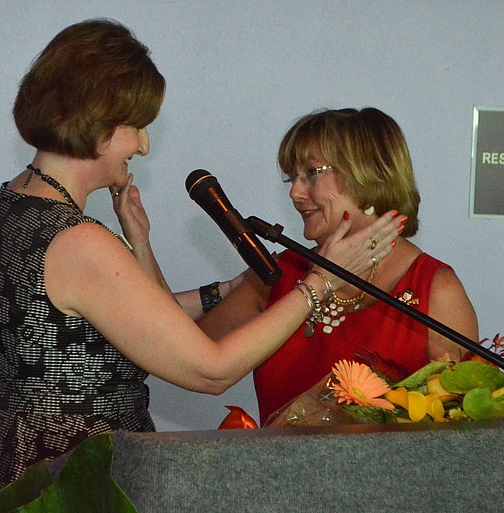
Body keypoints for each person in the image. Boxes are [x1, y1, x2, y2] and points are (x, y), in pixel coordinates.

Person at [0, 21, 403, 513]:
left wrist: (206, 277)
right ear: (96, 120)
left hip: (11, 463)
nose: (143, 144)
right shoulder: (78, 241)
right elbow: (210, 369)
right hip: (65, 487)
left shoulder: (11, 206)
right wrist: (319, 283)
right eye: (137, 126)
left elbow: (138, 317)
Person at [198, 107, 479, 424]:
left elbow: (460, 433)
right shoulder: (283, 272)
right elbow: (192, 356)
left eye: (312, 174)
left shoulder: (436, 289)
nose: (294, 192)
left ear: (367, 172)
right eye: (292, 178)